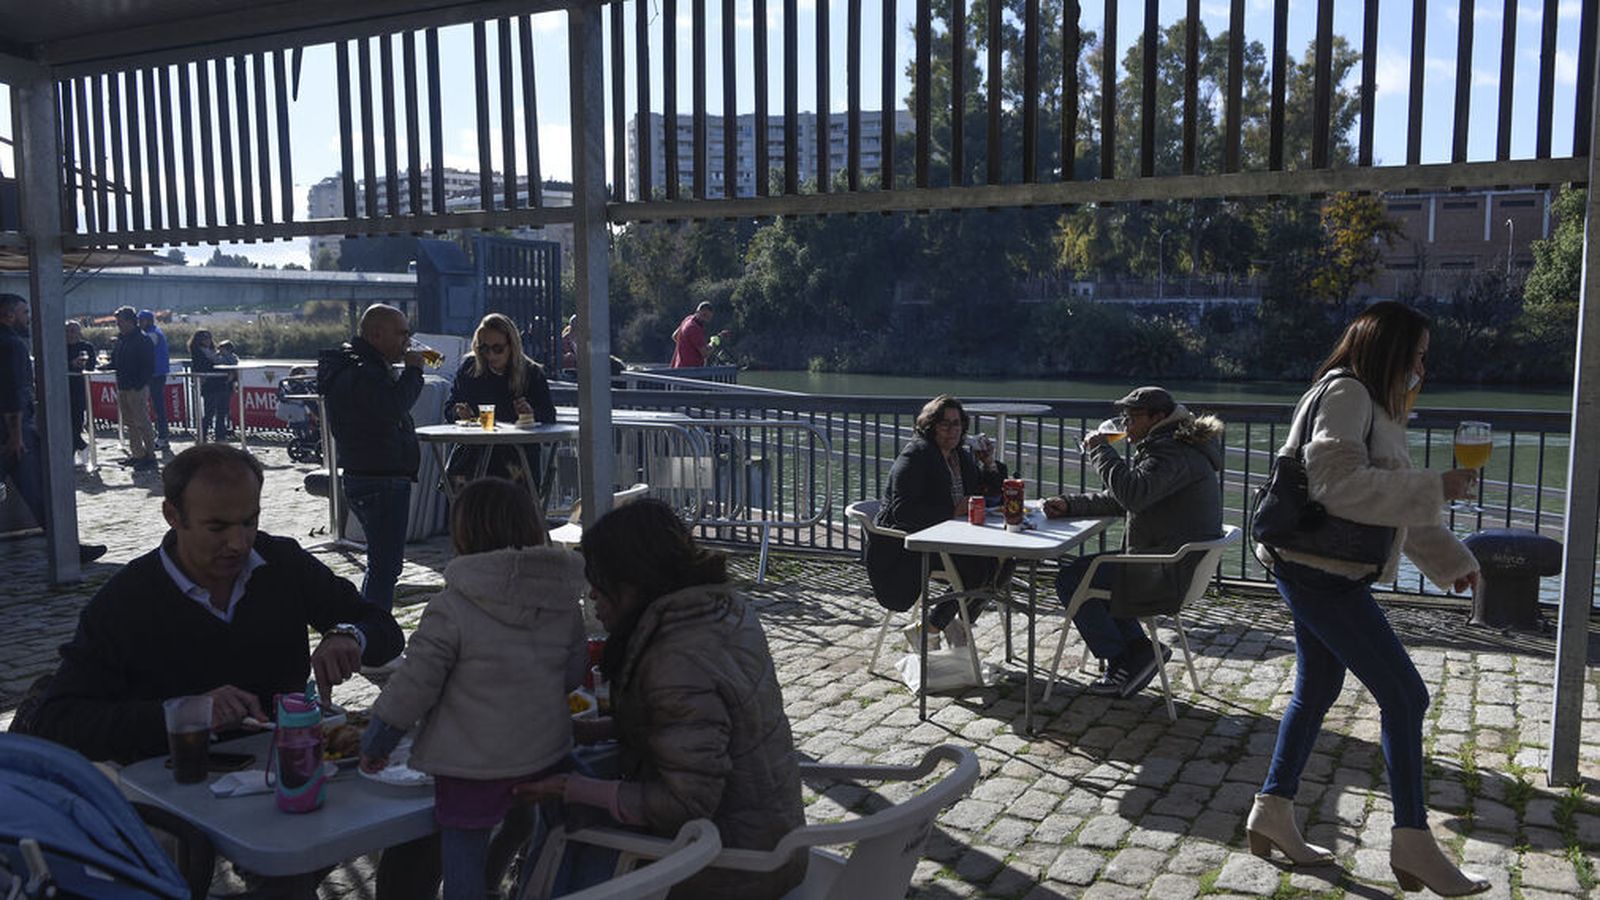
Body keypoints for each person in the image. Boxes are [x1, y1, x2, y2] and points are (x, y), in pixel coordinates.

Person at [1246, 302, 1487, 896]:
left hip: (1317, 568)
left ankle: (1272, 812)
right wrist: (1438, 484)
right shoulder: (1350, 395)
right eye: (1418, 355)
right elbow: (1337, 486)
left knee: (1318, 689)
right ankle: (1412, 843)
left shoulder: (1371, 404)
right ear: (1390, 351)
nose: (1422, 368)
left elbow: (1386, 502)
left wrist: (1450, 562)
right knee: (1406, 695)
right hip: (1317, 573)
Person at [29, 443, 405, 764]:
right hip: (173, 780)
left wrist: (350, 635)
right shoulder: (126, 600)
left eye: (249, 521)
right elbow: (60, 721)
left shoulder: (281, 563)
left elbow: (383, 628)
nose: (239, 543)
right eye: (217, 527)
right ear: (173, 516)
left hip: (281, 768)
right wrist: (187, 713)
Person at [517, 499, 805, 899]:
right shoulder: (722, 611)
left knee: (569, 819)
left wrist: (570, 787)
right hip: (770, 840)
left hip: (728, 870)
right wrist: (593, 730)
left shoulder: (674, 659)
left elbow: (685, 803)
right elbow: (697, 727)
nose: (593, 602)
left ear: (632, 587)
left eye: (599, 589)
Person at [360, 478, 587, 900]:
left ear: (461, 535)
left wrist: (380, 738)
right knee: (524, 823)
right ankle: (513, 884)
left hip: (470, 764)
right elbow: (572, 674)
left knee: (462, 847)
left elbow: (416, 683)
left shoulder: (451, 606)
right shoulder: (561, 600)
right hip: (544, 752)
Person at [1042, 386, 1223, 698]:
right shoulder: (1175, 445)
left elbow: (1132, 495)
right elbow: (1129, 497)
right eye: (1123, 417)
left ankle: (1124, 659)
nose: (1125, 425)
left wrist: (1099, 449)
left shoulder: (1171, 452)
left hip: (1165, 569)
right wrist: (1071, 504)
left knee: (1073, 580)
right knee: (1089, 573)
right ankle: (1140, 652)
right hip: (1173, 561)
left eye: (1133, 417)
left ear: (1158, 418)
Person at [865, 394, 1006, 651]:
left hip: (951, 538)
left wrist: (989, 464)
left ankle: (954, 625)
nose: (952, 430)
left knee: (1006, 561)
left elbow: (988, 495)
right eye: (945, 424)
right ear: (930, 426)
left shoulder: (960, 456)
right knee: (978, 568)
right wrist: (951, 511)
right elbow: (903, 511)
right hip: (910, 545)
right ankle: (932, 628)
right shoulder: (916, 456)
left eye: (957, 424)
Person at [318, 303, 425, 613]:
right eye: (402, 333)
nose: (407, 341)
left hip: (368, 472)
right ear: (376, 334)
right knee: (385, 566)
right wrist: (415, 370)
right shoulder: (362, 371)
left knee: (381, 564)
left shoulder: (355, 365)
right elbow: (392, 406)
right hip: (380, 477)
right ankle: (374, 638)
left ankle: (368, 629)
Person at [0, 295, 106, 563]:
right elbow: (12, 391)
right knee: (39, 492)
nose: (28, 318)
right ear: (9, 315)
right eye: (24, 312)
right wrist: (15, 435)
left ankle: (67, 545)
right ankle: (67, 548)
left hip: (12, 428)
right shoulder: (12, 345)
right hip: (13, 431)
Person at [444, 313, 558, 488]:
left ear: (512, 346)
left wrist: (529, 414)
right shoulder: (469, 369)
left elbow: (549, 417)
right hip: (473, 459)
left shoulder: (531, 373)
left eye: (497, 349)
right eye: (484, 348)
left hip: (515, 461)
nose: (490, 355)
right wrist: (459, 413)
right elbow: (450, 407)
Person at [107, 306, 157, 471]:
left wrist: (139, 384)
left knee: (142, 422)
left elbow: (149, 366)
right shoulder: (122, 339)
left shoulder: (143, 339)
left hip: (136, 388)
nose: (118, 325)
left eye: (120, 321)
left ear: (130, 321)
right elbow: (115, 362)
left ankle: (150, 456)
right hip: (123, 386)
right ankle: (137, 454)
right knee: (130, 422)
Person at [188, 329, 230, 443]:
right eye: (204, 338)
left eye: (209, 338)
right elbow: (202, 367)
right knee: (209, 412)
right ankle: (202, 436)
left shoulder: (214, 351)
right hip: (209, 385)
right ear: (198, 340)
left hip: (221, 383)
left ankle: (220, 436)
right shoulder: (198, 353)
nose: (207, 340)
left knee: (222, 412)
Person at [137, 309, 171, 449]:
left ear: (147, 320)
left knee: (158, 407)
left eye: (141, 320)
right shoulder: (155, 331)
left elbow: (141, 350)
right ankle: (161, 435)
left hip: (155, 374)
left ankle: (162, 436)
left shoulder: (152, 334)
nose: (139, 323)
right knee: (157, 406)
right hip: (156, 373)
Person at [65, 320, 95, 456]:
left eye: (73, 331)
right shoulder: (59, 347)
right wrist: (71, 364)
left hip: (80, 388)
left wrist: (82, 364)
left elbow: (91, 366)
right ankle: (80, 447)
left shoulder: (87, 347)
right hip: (63, 389)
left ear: (79, 333)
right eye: (67, 331)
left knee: (77, 421)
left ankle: (80, 448)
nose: (70, 334)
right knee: (65, 423)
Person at [669, 301, 712, 368]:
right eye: (704, 315)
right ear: (698, 312)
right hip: (690, 371)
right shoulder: (694, 328)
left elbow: (675, 336)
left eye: (708, 318)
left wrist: (687, 348)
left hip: (679, 367)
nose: (705, 319)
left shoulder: (688, 319)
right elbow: (705, 353)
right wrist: (714, 343)